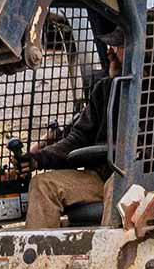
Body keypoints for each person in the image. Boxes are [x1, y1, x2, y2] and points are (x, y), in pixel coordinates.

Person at [24, 28, 124, 229]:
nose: (110, 52)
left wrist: (147, 156)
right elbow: (77, 138)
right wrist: (38, 159)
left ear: (146, 50)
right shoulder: (104, 90)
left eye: (118, 47)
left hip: (143, 178)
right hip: (101, 175)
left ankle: (104, 257)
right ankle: (38, 258)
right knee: (43, 185)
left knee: (118, 187)